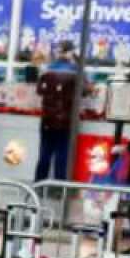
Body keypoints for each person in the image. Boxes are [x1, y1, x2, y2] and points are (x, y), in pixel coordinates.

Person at [35, 42, 79, 183]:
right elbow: (85, 91)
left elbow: (39, 90)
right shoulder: (75, 71)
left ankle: (39, 184)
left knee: (45, 153)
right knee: (62, 154)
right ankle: (59, 187)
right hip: (67, 120)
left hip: (47, 118)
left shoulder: (47, 69)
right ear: (70, 52)